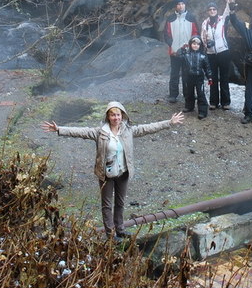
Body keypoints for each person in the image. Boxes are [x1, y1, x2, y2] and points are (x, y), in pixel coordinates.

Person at [42, 102, 184, 239]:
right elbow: (81, 132)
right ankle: (110, 235)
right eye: (112, 115)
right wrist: (59, 129)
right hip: (106, 174)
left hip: (123, 172)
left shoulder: (127, 130)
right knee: (107, 205)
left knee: (120, 202)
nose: (116, 118)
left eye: (118, 115)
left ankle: (120, 229)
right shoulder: (100, 132)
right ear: (108, 117)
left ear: (122, 115)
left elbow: (148, 128)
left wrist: (169, 122)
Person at [200, 0, 235, 110]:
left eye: (214, 9)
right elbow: (202, 36)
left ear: (216, 10)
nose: (212, 11)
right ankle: (214, 102)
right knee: (212, 78)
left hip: (223, 52)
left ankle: (225, 102)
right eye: (210, 9)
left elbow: (228, 7)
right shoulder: (205, 23)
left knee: (224, 77)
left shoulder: (222, 19)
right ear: (207, 11)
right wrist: (206, 44)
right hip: (210, 54)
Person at [163, 0, 198, 103]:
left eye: (182, 4)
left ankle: (188, 93)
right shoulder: (170, 18)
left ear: (185, 5)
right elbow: (166, 35)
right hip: (174, 51)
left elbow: (196, 33)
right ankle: (173, 94)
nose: (181, 6)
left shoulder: (191, 17)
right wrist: (173, 46)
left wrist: (192, 47)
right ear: (175, 6)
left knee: (187, 73)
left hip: (188, 51)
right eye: (178, 4)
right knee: (174, 73)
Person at [180, 36, 213, 118]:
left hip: (199, 78)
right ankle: (189, 106)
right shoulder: (186, 54)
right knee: (189, 93)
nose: (195, 46)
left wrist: (210, 77)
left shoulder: (203, 56)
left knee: (201, 94)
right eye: (194, 44)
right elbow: (178, 57)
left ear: (200, 46)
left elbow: (207, 68)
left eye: (198, 44)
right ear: (190, 44)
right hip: (189, 77)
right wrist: (182, 49)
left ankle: (202, 111)